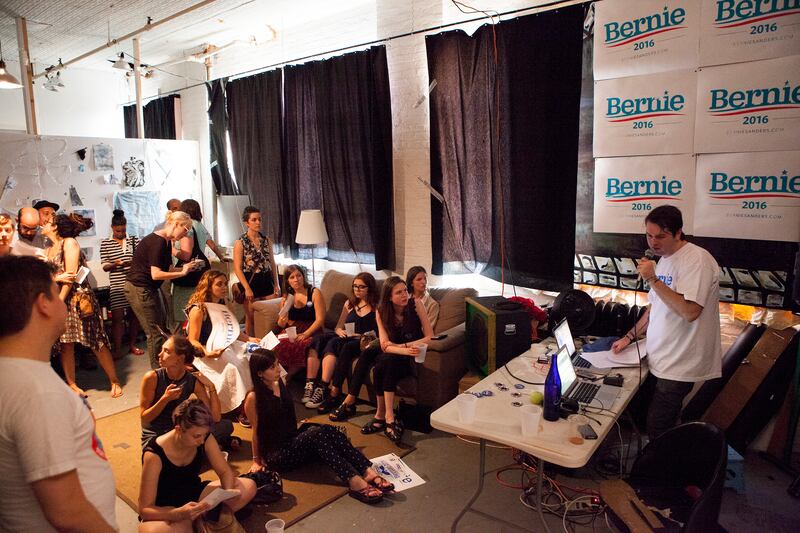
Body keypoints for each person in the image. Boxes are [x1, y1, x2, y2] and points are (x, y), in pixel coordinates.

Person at [0, 256, 117, 531]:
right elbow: (67, 512)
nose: (65, 303)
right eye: (57, 292)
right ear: (43, 303)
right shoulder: (38, 392)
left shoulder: (15, 373)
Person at [611, 205, 722, 440]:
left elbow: (690, 311)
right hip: (661, 357)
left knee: (659, 427)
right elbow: (655, 308)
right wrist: (629, 337)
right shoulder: (663, 260)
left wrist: (653, 279)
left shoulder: (696, 260)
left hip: (680, 362)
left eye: (661, 236)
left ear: (678, 232)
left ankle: (663, 463)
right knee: (650, 420)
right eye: (649, 235)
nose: (653, 242)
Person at [244, 348, 393, 505]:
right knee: (316, 434)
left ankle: (367, 470)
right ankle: (353, 480)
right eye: (272, 367)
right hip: (277, 454)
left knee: (327, 430)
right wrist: (256, 461)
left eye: (277, 364)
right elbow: (256, 431)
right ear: (259, 373)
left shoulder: (279, 382)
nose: (278, 369)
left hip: (292, 437)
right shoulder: (253, 398)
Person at [139, 398, 256, 532]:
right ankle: (201, 521)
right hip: (167, 508)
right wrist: (179, 514)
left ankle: (198, 522)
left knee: (249, 486)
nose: (201, 441)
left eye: (204, 435)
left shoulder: (205, 437)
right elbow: (145, 509)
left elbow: (224, 472)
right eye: (196, 436)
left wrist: (227, 493)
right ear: (179, 429)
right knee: (152, 531)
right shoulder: (154, 454)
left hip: (196, 495)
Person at [42, 213, 123, 398]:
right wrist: (56, 283)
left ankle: (114, 380)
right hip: (60, 300)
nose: (43, 224)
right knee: (65, 343)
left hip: (78, 300)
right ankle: (72, 384)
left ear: (55, 227)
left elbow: (70, 277)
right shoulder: (48, 249)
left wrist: (58, 302)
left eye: (47, 222)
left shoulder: (69, 243)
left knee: (95, 341)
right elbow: (48, 277)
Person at [125, 210, 199, 369]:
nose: (185, 234)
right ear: (177, 224)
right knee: (155, 333)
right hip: (140, 288)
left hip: (149, 288)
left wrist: (185, 268)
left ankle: (167, 367)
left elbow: (168, 268)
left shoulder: (166, 242)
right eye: (186, 229)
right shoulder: (157, 241)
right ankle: (158, 373)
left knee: (162, 329)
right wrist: (182, 273)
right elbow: (156, 274)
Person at [363, 276, 433, 444]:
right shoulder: (381, 312)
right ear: (389, 296)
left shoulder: (416, 304)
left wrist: (404, 347)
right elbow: (384, 345)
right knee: (384, 363)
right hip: (394, 357)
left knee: (385, 363)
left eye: (405, 291)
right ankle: (388, 417)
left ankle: (382, 416)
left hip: (411, 358)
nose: (404, 295)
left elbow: (430, 336)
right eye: (399, 292)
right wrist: (401, 349)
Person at [139, 334, 235, 450]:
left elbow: (215, 418)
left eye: (166, 351)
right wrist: (165, 399)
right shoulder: (152, 378)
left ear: (180, 358)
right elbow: (145, 418)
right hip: (156, 435)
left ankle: (204, 449)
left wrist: (211, 386)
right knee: (194, 442)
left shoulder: (191, 380)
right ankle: (212, 447)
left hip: (180, 430)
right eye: (162, 350)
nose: (160, 354)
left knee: (226, 426)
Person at [186, 270, 259, 417]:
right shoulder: (198, 309)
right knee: (235, 368)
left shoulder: (223, 304)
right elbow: (192, 340)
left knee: (255, 355)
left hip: (227, 345)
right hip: (205, 350)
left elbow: (233, 330)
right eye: (219, 284)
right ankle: (241, 407)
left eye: (225, 284)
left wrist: (250, 339)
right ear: (208, 286)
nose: (224, 287)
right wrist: (207, 353)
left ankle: (256, 400)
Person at [313, 272, 379, 415]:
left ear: (370, 288)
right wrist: (340, 331)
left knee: (346, 347)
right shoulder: (349, 303)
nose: (357, 289)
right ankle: (329, 389)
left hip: (366, 342)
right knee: (335, 342)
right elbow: (338, 326)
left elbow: (379, 333)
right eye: (355, 286)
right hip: (349, 338)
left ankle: (334, 393)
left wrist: (361, 336)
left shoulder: (376, 307)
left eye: (361, 287)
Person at [171, 199, 228, 327]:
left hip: (186, 271)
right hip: (199, 269)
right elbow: (212, 244)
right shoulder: (201, 226)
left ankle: (187, 332)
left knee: (185, 308)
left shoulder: (187, 227)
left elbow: (186, 254)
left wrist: (172, 250)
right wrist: (221, 257)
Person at [274, 264, 326, 395]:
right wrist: (282, 319)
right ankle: (278, 377)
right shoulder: (287, 297)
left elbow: (320, 320)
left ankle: (288, 376)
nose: (296, 279)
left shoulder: (314, 292)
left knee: (301, 344)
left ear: (303, 277)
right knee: (276, 342)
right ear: (288, 281)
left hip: (312, 329)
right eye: (292, 277)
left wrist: (305, 334)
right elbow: (283, 323)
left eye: (299, 275)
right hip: (293, 329)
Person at [100, 209, 143, 358]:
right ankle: (117, 349)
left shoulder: (134, 240)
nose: (121, 233)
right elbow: (105, 266)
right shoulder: (106, 243)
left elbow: (141, 259)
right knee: (117, 318)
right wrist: (115, 264)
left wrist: (132, 263)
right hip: (117, 285)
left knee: (134, 317)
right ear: (112, 228)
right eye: (118, 231)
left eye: (123, 230)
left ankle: (132, 344)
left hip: (134, 282)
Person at [232, 206, 280, 336]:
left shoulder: (266, 240)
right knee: (251, 317)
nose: (258, 222)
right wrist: (247, 288)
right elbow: (237, 268)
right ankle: (252, 342)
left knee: (270, 314)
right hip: (250, 280)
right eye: (254, 220)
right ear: (247, 222)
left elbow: (272, 263)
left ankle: (268, 341)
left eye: (259, 219)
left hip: (266, 279)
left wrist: (276, 284)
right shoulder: (240, 242)